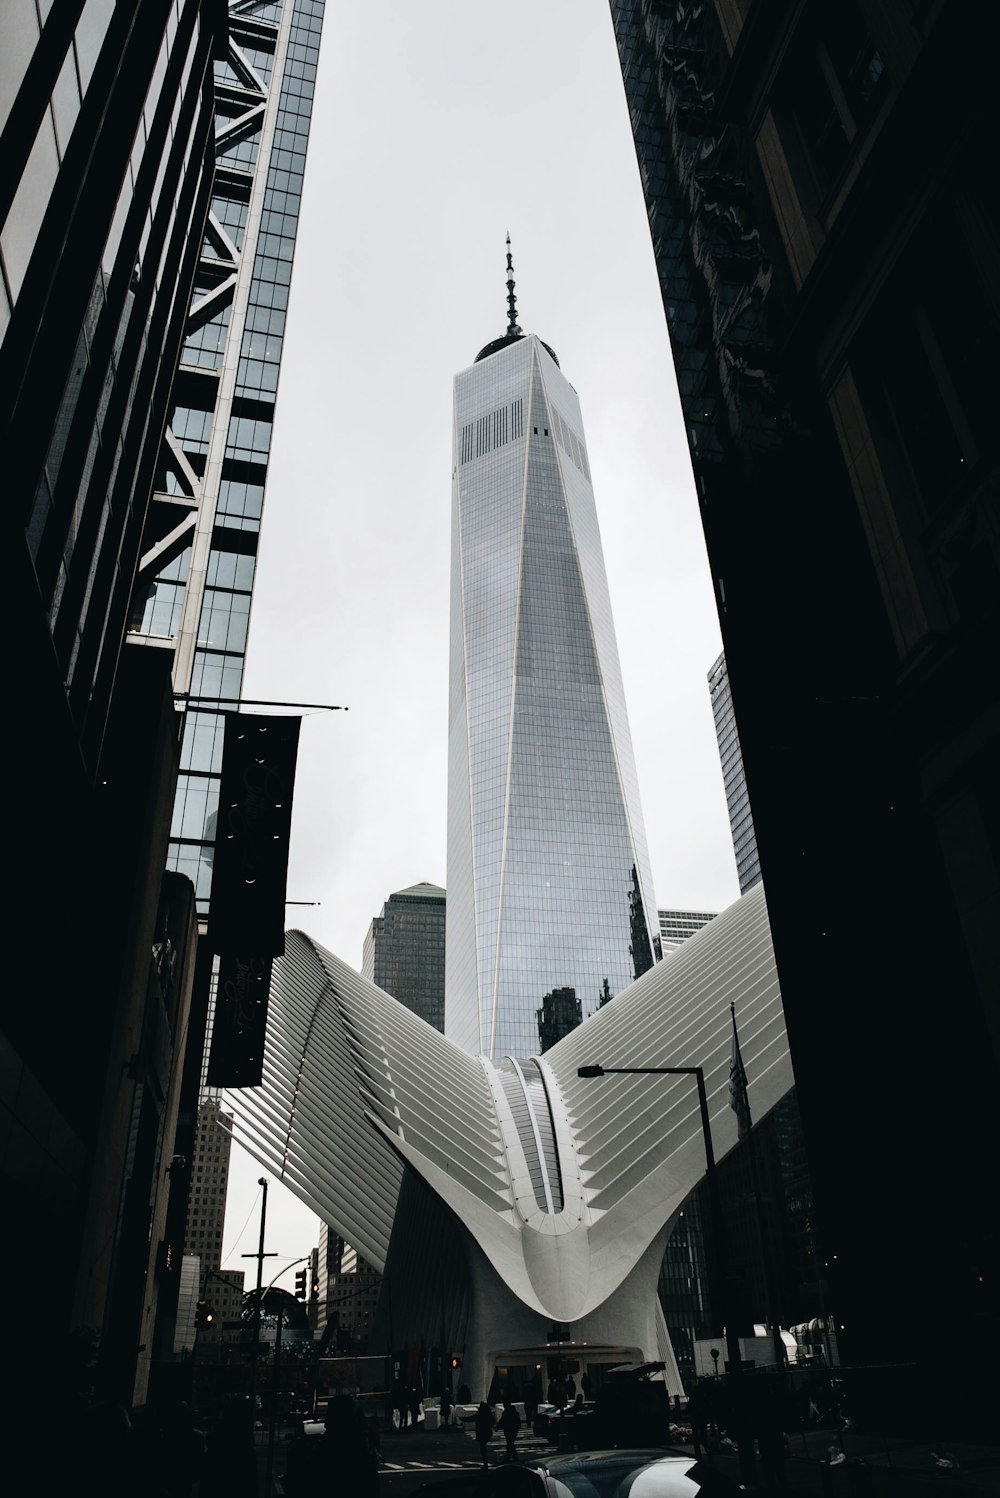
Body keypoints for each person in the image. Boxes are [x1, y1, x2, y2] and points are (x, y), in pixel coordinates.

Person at [474, 1400, 496, 1469]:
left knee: (483, 1448)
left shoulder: (480, 1413)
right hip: (487, 1432)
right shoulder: (488, 1413)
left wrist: (463, 1418)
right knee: (483, 1447)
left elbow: (472, 1418)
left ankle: (485, 1463)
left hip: (481, 1432)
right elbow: (492, 1421)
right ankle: (485, 1463)